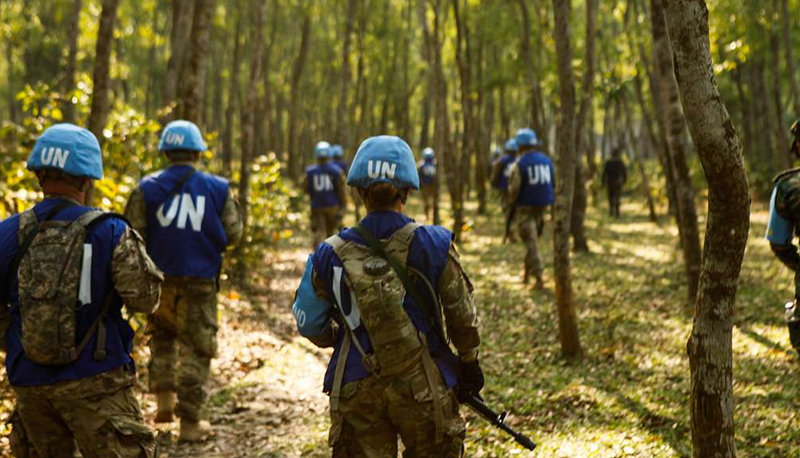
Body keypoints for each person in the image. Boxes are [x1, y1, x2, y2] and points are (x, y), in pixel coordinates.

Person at [292, 135, 482, 457]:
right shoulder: (434, 244)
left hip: (355, 387)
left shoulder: (328, 253)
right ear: (406, 191)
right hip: (425, 386)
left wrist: (337, 337)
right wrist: (469, 362)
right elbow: (462, 317)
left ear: (359, 192)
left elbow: (309, 322)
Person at [0, 123, 163, 457]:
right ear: (88, 180)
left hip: (30, 386)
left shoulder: (8, 233)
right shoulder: (111, 230)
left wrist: (16, 340)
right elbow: (146, 299)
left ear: (40, 176)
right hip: (99, 384)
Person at [124, 119, 243, 442]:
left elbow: (132, 234)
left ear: (166, 153)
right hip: (200, 280)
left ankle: (164, 402)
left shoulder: (146, 187)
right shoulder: (218, 188)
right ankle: (190, 422)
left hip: (159, 279)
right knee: (197, 347)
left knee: (162, 337)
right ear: (198, 153)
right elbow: (233, 233)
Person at [508, 128, 554, 289]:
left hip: (525, 209)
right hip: (542, 208)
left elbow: (514, 189)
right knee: (531, 241)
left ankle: (539, 277)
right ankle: (526, 275)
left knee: (531, 243)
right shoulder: (546, 161)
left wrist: (512, 203)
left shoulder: (520, 164)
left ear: (520, 146)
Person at [303, 141, 348, 247]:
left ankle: (317, 254)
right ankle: (329, 254)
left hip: (317, 206)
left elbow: (305, 188)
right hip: (333, 206)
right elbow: (341, 190)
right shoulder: (337, 171)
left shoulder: (310, 171)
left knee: (319, 231)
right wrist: (343, 205)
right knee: (330, 233)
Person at [492, 139, 519, 242]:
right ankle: (511, 232)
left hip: (504, 189)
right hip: (513, 189)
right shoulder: (518, 160)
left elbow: (496, 174)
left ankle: (511, 232)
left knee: (508, 210)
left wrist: (495, 185)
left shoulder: (502, 160)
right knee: (513, 210)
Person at [602, 148, 628, 217]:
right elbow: (625, 172)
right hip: (618, 182)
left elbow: (604, 173)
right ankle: (617, 212)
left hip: (610, 182)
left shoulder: (609, 162)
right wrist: (625, 181)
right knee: (617, 197)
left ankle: (612, 211)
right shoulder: (620, 162)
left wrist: (603, 182)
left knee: (611, 197)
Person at [418, 147, 437, 221]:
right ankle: (428, 215)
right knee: (430, 201)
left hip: (426, 185)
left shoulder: (421, 164)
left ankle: (427, 215)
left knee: (426, 201)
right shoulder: (434, 164)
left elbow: (420, 176)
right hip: (430, 185)